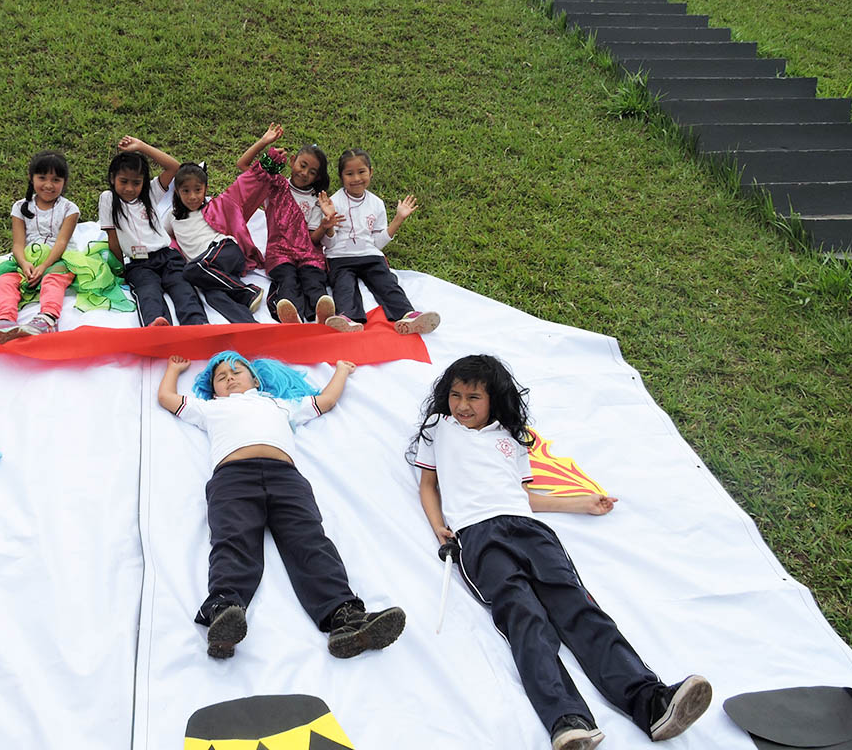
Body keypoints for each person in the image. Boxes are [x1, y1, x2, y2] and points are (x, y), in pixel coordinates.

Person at [409, 355, 711, 750]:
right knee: (524, 616)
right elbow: (428, 485)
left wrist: (580, 503)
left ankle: (652, 703)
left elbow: (524, 495)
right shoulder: (439, 428)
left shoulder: (512, 440)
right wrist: (438, 529)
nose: (461, 405)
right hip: (479, 536)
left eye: (473, 397)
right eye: (455, 395)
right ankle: (567, 720)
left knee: (579, 609)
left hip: (531, 531)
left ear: (494, 400)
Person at [159, 351, 406, 659]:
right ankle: (224, 612)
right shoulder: (210, 409)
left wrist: (341, 370)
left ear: (255, 379)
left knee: (310, 540)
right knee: (233, 539)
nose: (230, 378)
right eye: (221, 377)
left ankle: (345, 619)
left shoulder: (280, 404)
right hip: (233, 477)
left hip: (285, 477)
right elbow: (168, 398)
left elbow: (325, 401)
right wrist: (173, 369)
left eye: (236, 372)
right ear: (214, 389)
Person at [315, 148, 440, 334]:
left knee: (387, 282)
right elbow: (329, 245)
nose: (356, 178)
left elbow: (377, 244)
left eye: (361, 172)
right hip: (340, 258)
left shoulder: (376, 203)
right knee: (344, 286)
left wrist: (399, 219)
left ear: (371, 172)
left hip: (370, 256)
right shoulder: (333, 203)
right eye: (349, 174)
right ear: (341, 177)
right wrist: (329, 224)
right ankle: (347, 319)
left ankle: (407, 315)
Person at [164, 133, 278, 323]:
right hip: (211, 271)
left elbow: (244, 184)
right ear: (176, 192)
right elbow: (163, 237)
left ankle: (248, 292)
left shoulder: (215, 206)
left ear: (205, 189)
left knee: (192, 270)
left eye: (197, 190)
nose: (192, 196)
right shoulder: (172, 217)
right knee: (214, 297)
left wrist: (265, 148)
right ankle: (249, 327)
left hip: (225, 251)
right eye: (186, 191)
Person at [0, 151, 80, 343]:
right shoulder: (20, 207)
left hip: (59, 258)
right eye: (42, 178)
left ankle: (48, 319)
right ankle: (5, 321)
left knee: (53, 279)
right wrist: (24, 264)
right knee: (3, 280)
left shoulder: (70, 209)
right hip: (28, 260)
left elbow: (61, 243)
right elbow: (18, 244)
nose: (48, 185)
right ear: (31, 178)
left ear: (64, 182)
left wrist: (45, 265)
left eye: (56, 179)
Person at [235, 123, 335, 325]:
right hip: (279, 252)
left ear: (318, 176)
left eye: (313, 171)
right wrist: (263, 142)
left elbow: (313, 238)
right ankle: (292, 317)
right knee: (288, 280)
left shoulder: (317, 198)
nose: (305, 173)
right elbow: (243, 165)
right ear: (292, 161)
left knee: (313, 280)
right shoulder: (274, 185)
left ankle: (322, 314)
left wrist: (325, 225)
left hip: (308, 252)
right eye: (302, 165)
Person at [100, 136, 206, 327]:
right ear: (112, 178)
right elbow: (112, 239)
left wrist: (141, 146)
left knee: (184, 290)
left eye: (136, 182)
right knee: (148, 292)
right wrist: (118, 269)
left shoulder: (149, 193)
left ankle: (197, 325)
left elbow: (174, 167)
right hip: (139, 263)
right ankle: (156, 325)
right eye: (123, 181)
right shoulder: (108, 199)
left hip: (167, 256)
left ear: (144, 182)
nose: (130, 188)